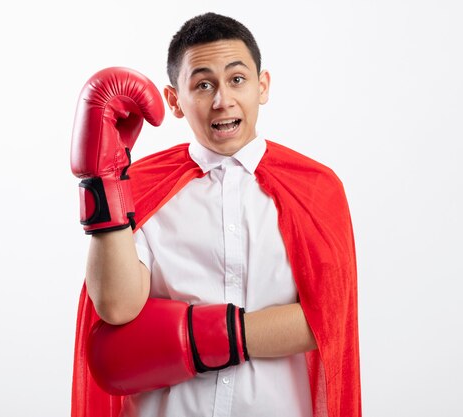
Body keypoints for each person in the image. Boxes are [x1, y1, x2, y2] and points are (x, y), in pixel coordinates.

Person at [70, 12, 361, 417]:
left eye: (237, 79)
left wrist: (194, 337)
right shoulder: (140, 186)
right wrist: (103, 182)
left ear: (263, 86)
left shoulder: (316, 188)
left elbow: (327, 321)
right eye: (203, 84)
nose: (222, 99)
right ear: (174, 101)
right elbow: (118, 307)